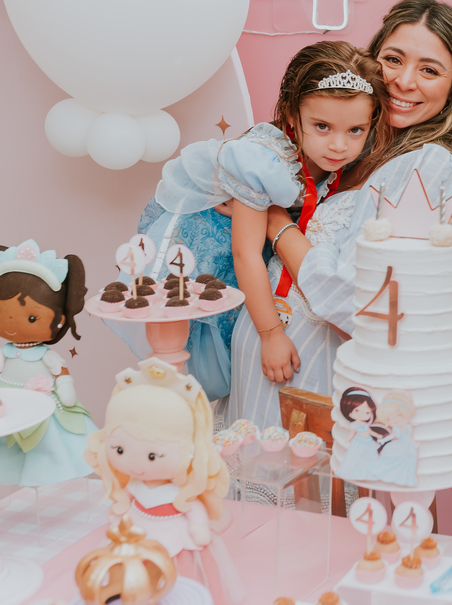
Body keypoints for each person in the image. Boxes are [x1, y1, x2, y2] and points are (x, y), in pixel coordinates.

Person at [226, 0, 452, 429]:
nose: (403, 81)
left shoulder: (432, 168)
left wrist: (276, 223)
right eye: (393, 59)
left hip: (321, 386)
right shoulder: (347, 150)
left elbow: (367, 305)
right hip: (259, 376)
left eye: (429, 70)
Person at [125, 41, 392, 400]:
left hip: (243, 249)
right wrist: (271, 335)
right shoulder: (263, 161)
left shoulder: (333, 158)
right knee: (199, 365)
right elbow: (246, 254)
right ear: (292, 115)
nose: (339, 146)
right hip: (205, 248)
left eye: (355, 130)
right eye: (323, 126)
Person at [86, 358, 244, 605]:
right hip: (137, 526)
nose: (136, 465)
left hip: (173, 530)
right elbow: (125, 497)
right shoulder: (134, 485)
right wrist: (119, 506)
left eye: (152, 456)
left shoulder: (179, 492)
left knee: (175, 568)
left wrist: (198, 526)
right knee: (131, 568)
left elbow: (193, 508)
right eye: (118, 450)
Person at [0, 240, 94, 486]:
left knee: (45, 445)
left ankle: (42, 479)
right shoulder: (4, 352)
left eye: (31, 317)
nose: (11, 324)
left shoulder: (45, 355)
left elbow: (60, 373)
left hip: (41, 405)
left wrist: (65, 387)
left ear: (60, 319)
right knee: (10, 448)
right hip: (8, 406)